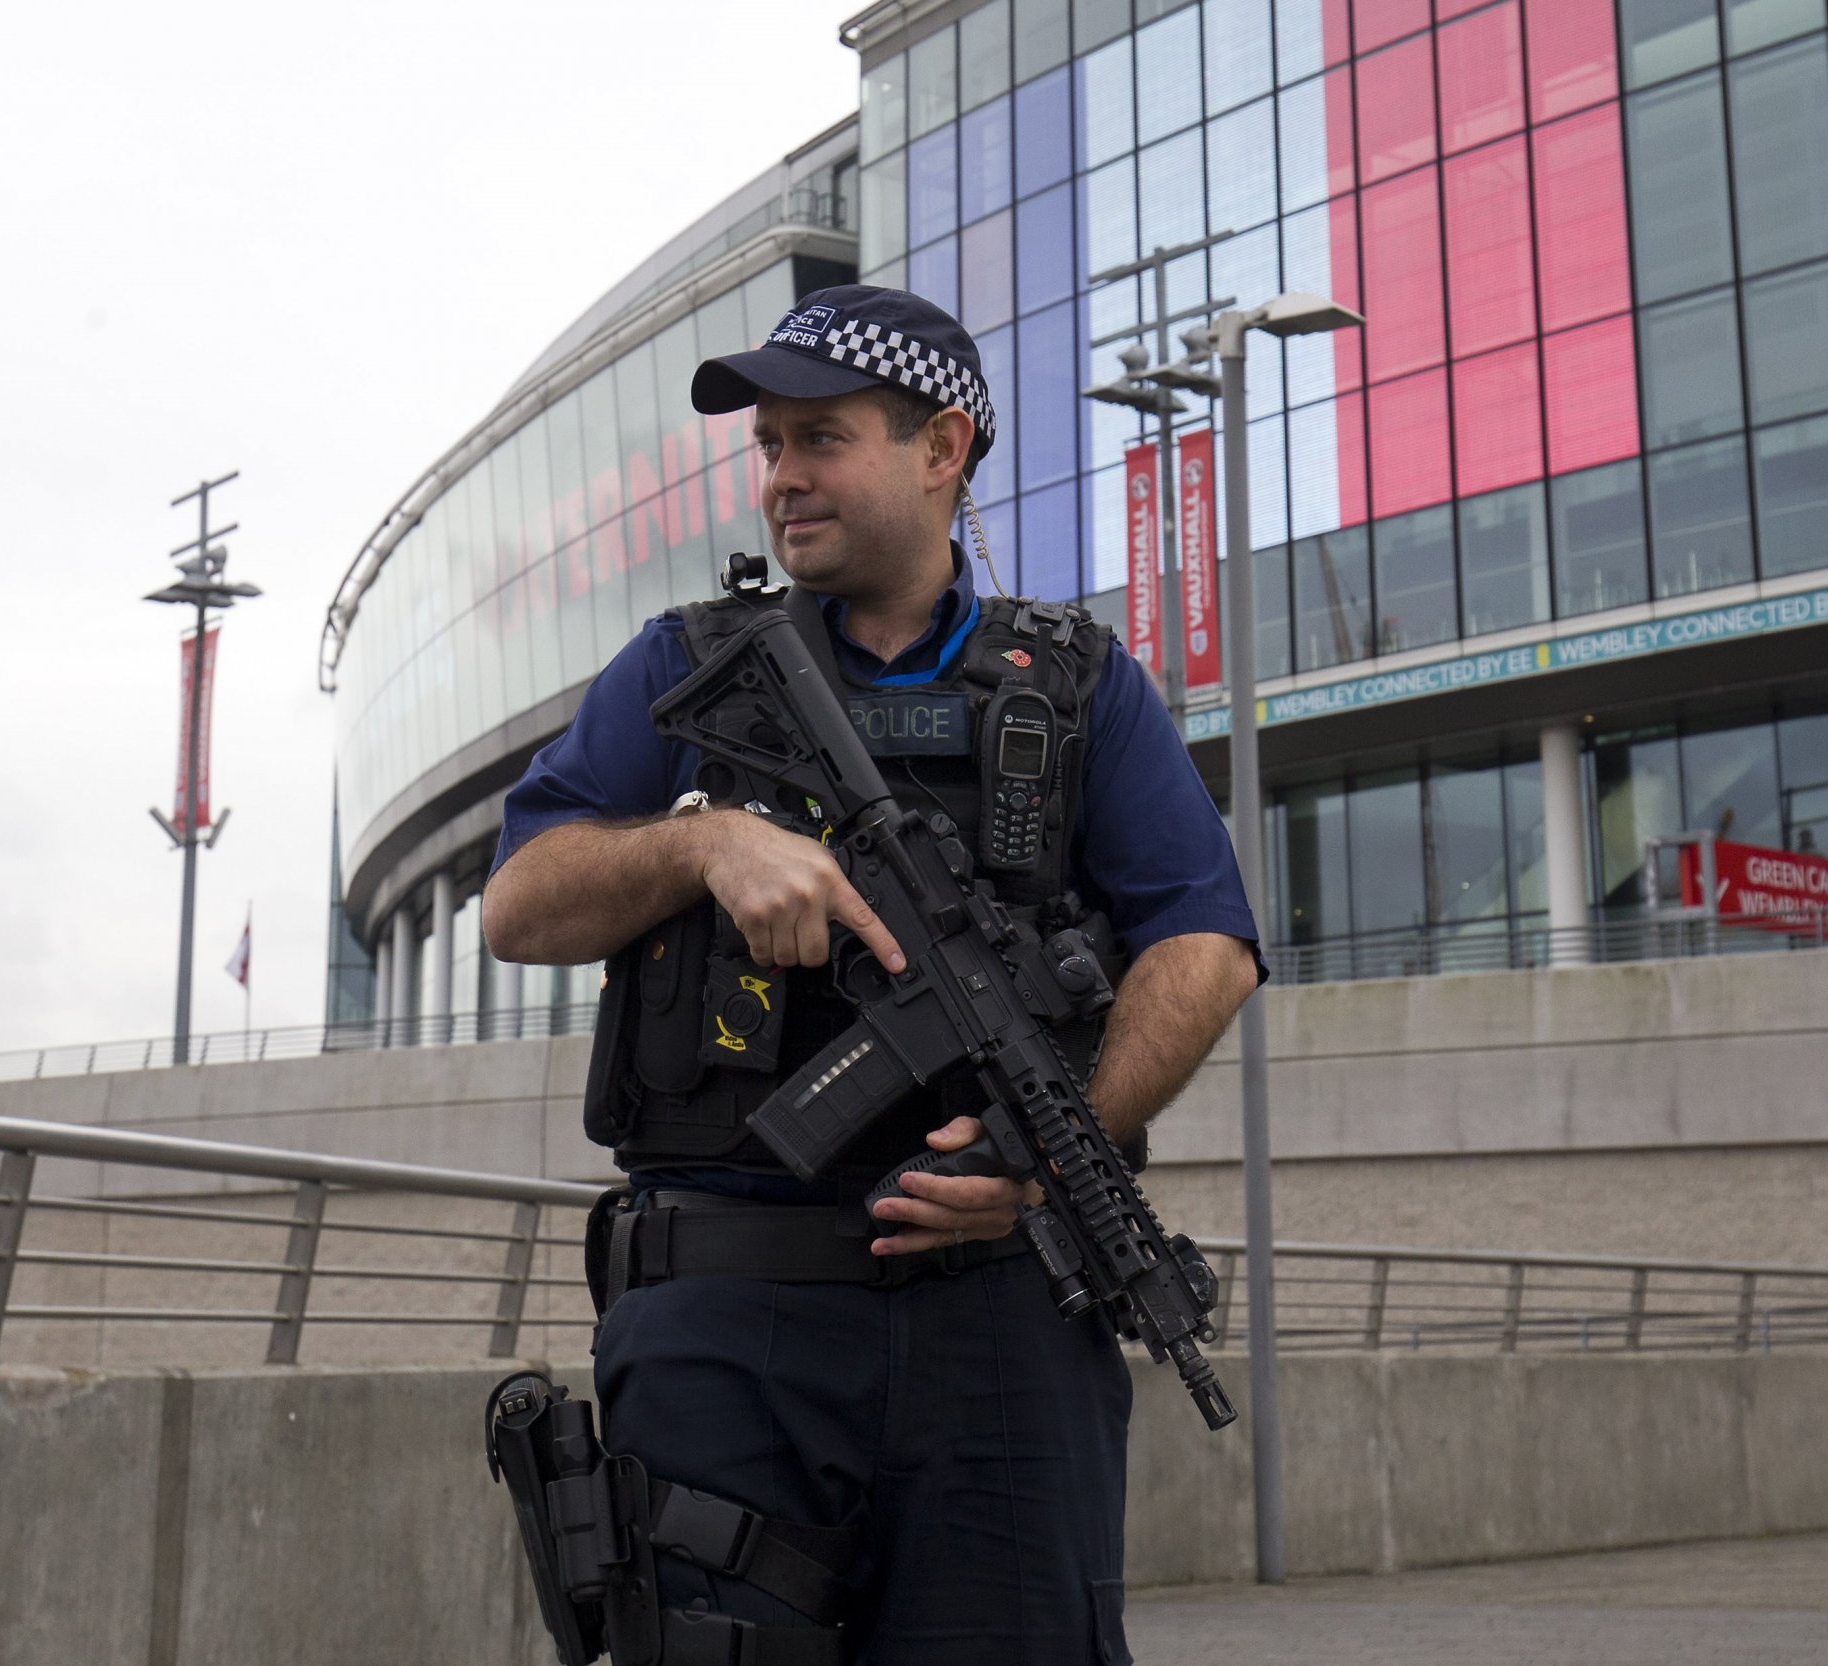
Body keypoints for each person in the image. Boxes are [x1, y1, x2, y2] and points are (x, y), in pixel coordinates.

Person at [482, 286, 1261, 1665]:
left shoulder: (1077, 685)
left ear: (941, 447)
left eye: (820, 437)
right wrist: (706, 844)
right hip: (727, 1316)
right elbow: (520, 904)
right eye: (769, 444)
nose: (781, 476)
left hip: (1001, 1316)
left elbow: (1206, 941)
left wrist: (1047, 1141)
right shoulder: (686, 670)